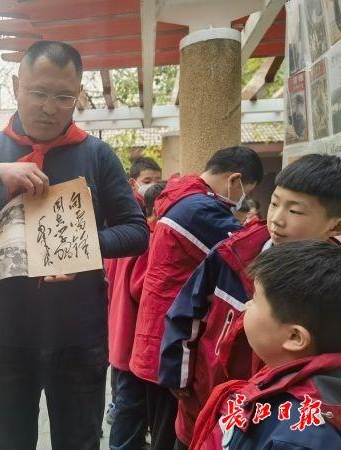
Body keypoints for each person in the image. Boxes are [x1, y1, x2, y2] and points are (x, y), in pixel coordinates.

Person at [0, 40, 149, 450]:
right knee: (8, 443)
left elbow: (137, 231)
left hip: (79, 336)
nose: (50, 107)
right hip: (5, 335)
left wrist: (77, 247)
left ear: (78, 95)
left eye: (64, 97)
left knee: (79, 442)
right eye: (39, 93)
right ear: (16, 86)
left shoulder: (96, 155)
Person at [159, 153, 341, 449]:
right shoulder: (233, 253)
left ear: (335, 225)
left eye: (295, 211)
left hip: (275, 419)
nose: (277, 219)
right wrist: (178, 377)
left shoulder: (332, 281)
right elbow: (187, 313)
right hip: (209, 398)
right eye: (275, 202)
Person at [130, 146, 263, 450]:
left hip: (160, 337)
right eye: (247, 191)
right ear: (235, 180)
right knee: (168, 432)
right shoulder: (200, 210)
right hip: (172, 344)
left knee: (161, 426)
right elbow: (247, 254)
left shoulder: (182, 197)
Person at [190, 241, 341, 450]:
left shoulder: (299, 436)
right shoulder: (288, 374)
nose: (247, 305)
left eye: (255, 299)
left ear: (295, 337)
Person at [105, 181, 166, 450]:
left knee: (124, 405)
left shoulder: (122, 239)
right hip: (135, 347)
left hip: (118, 339)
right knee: (130, 412)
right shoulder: (148, 242)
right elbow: (142, 291)